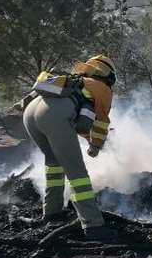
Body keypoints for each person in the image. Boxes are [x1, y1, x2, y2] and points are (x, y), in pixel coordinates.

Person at [21, 54, 118, 241]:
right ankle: (93, 225)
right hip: (52, 115)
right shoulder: (101, 87)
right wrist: (96, 146)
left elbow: (76, 118)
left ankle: (52, 212)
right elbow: (101, 122)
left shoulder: (70, 81)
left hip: (31, 113)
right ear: (108, 75)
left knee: (54, 164)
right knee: (77, 173)